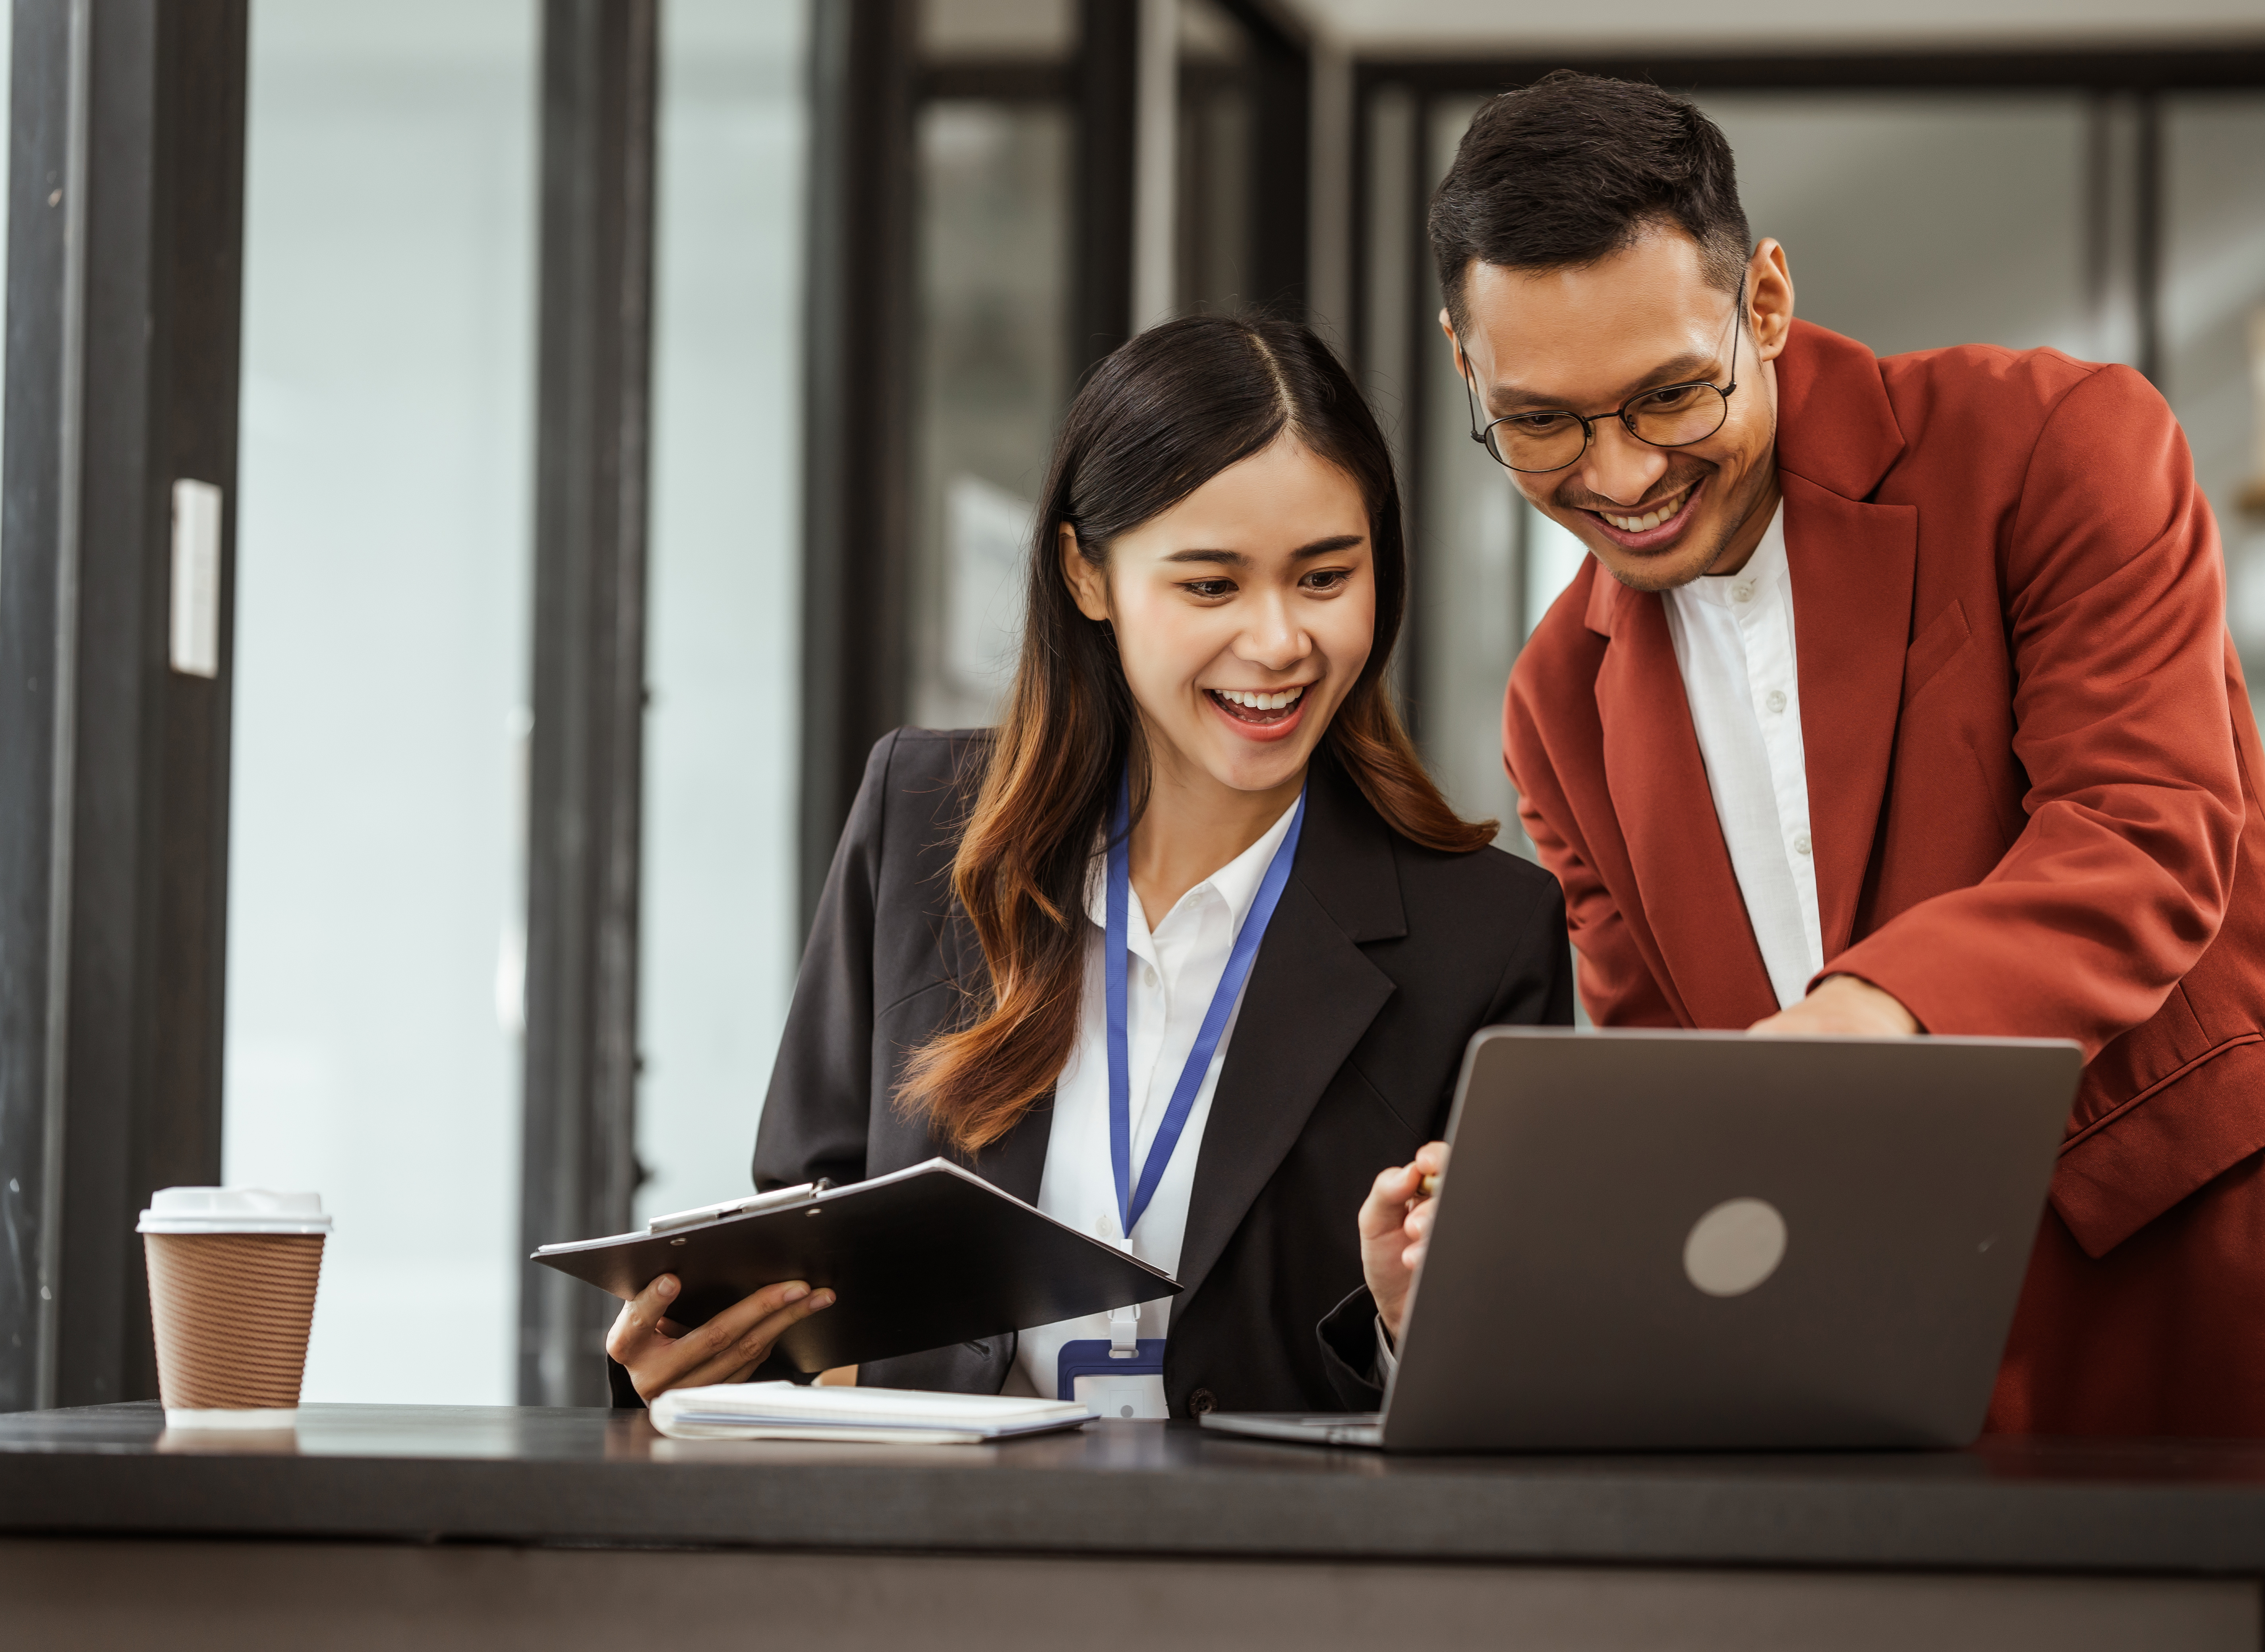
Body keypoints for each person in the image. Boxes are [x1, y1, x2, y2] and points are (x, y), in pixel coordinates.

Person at [1357, 73, 2265, 1649]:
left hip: (2201, 1341)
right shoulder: (1559, 701)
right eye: (1542, 424)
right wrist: (1503, 1252)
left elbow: (2142, 836)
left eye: (1668, 399)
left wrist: (1855, 1018)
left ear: (1764, 298)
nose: (1617, 476)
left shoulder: (2056, 445)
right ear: (1464, 371)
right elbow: (1675, 1088)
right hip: (1879, 1417)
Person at [605, 315, 1571, 1417]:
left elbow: (1512, 1389)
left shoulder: (1485, 937)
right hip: (936, 1567)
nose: (1278, 643)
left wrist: (1413, 1322)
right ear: (1087, 574)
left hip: (1279, 1574)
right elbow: (803, 1247)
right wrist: (695, 1361)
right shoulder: (920, 825)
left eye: (1324, 578)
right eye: (1211, 587)